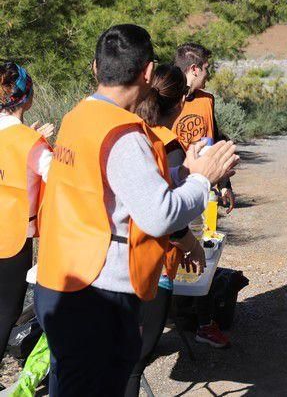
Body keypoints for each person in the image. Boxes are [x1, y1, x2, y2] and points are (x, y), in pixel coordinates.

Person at [34, 24, 239, 397]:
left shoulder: (77, 117)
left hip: (58, 279)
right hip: (98, 293)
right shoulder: (125, 134)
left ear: (96, 68)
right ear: (148, 72)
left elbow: (116, 185)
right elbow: (159, 214)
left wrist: (183, 172)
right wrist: (202, 180)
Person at [125, 63, 201, 397]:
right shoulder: (168, 145)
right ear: (181, 103)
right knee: (135, 360)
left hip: (117, 261)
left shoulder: (129, 133)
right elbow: (165, 211)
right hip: (154, 266)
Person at [0, 62, 53, 359]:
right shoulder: (31, 143)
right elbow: (59, 178)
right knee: (6, 312)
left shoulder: (23, 138)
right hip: (12, 237)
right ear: (26, 96)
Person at [171, 42, 234, 212]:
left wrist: (224, 184)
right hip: (175, 189)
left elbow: (215, 139)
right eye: (206, 68)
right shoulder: (165, 101)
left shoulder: (207, 100)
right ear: (194, 69)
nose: (208, 74)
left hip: (205, 186)